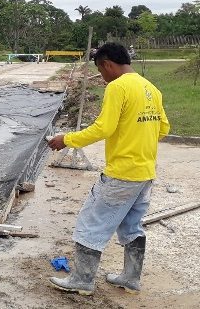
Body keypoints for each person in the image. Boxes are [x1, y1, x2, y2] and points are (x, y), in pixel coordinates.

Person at [47, 42, 170, 296]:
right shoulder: (151, 89)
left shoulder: (118, 87)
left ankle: (82, 280)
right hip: (145, 173)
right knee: (131, 227)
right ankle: (130, 278)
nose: (102, 79)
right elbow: (163, 129)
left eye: (101, 73)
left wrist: (66, 139)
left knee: (90, 224)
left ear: (107, 64)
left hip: (122, 174)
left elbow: (104, 128)